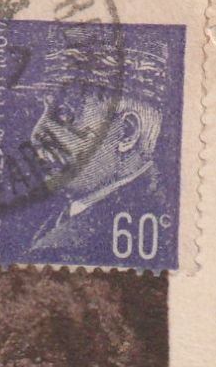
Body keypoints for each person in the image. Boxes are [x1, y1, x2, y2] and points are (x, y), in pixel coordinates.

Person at [23, 35, 175, 259]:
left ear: (126, 133)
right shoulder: (71, 214)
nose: (36, 134)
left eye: (65, 113)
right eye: (44, 110)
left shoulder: (151, 218)